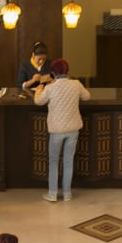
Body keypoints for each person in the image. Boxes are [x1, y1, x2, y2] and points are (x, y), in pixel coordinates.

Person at [33, 58, 91, 202]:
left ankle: (52, 194)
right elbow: (87, 96)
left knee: (53, 161)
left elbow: (38, 101)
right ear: (67, 71)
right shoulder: (76, 84)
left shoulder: (50, 87)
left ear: (53, 73)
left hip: (57, 130)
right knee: (68, 161)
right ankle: (67, 194)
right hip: (73, 129)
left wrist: (40, 88)